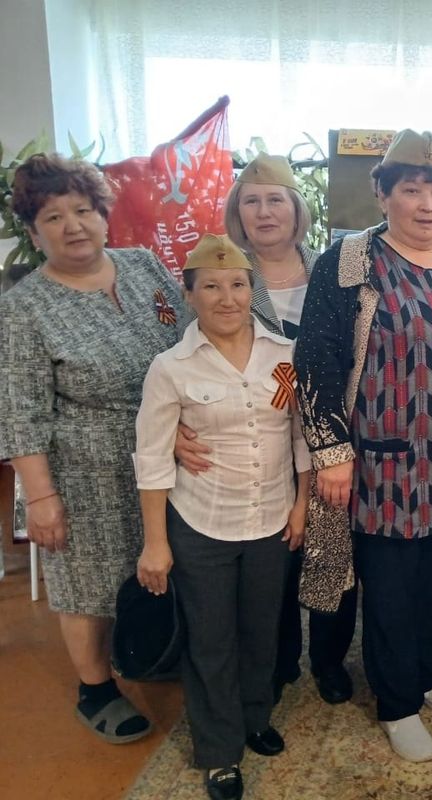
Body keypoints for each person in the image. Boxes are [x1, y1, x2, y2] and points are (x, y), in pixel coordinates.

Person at [294, 129, 432, 763]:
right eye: (412, 190)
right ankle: (396, 702)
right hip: (387, 463)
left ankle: (423, 672)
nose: (427, 204)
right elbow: (316, 359)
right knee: (390, 590)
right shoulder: (350, 263)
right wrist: (332, 450)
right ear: (383, 193)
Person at [0, 153, 186, 744]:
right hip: (85, 469)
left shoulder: (143, 265)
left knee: (162, 562)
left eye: (82, 210)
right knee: (88, 582)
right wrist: (41, 498)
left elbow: (189, 336)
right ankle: (96, 687)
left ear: (104, 216)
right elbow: (20, 410)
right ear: (34, 234)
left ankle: (154, 650)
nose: (73, 225)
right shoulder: (23, 308)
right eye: (53, 217)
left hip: (170, 451)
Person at [175, 153, 357, 706]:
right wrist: (175, 427)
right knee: (273, 560)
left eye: (275, 199)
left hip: (331, 436)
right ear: (238, 213)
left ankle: (328, 658)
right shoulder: (225, 274)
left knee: (332, 550)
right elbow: (180, 358)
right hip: (256, 444)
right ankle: (276, 663)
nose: (264, 211)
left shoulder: (333, 270)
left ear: (297, 209)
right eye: (250, 201)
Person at [135, 234, 310, 800]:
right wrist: (156, 543)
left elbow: (301, 436)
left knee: (262, 631)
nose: (226, 297)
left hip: (271, 518)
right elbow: (153, 458)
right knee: (211, 640)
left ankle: (254, 717)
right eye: (210, 286)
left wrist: (302, 504)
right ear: (189, 295)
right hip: (201, 523)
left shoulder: (284, 353)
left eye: (237, 284)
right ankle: (218, 751)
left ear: (250, 290)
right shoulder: (171, 367)